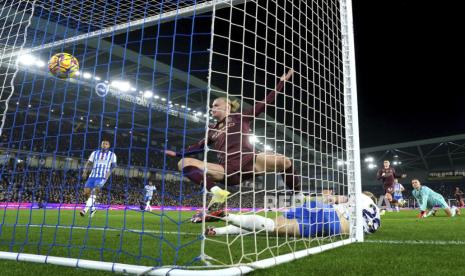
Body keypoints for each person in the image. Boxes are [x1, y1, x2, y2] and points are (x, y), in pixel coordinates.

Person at [165, 69, 300, 207]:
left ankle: (298, 196)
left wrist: (281, 83)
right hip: (226, 170)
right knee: (183, 163)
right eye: (211, 107)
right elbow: (199, 146)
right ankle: (217, 192)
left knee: (285, 162)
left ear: (227, 106)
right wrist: (178, 153)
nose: (212, 108)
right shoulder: (212, 129)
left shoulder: (241, 118)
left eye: (216, 105)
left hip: (250, 161)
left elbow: (265, 103)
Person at [205, 192, 380, 237]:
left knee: (271, 223)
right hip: (335, 224)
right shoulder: (375, 212)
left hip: (318, 208)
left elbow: (331, 199)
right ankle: (226, 219)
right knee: (273, 228)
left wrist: (311, 200)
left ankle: (224, 224)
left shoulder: (359, 195)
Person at [80, 139, 117, 217]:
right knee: (86, 193)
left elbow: (114, 166)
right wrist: (84, 172)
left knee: (95, 191)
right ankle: (93, 209)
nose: (104, 145)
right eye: (103, 144)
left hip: (102, 177)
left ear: (109, 146)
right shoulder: (94, 153)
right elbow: (88, 163)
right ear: (101, 145)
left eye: (106, 144)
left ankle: (85, 210)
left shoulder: (112, 155)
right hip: (92, 176)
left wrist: (108, 173)